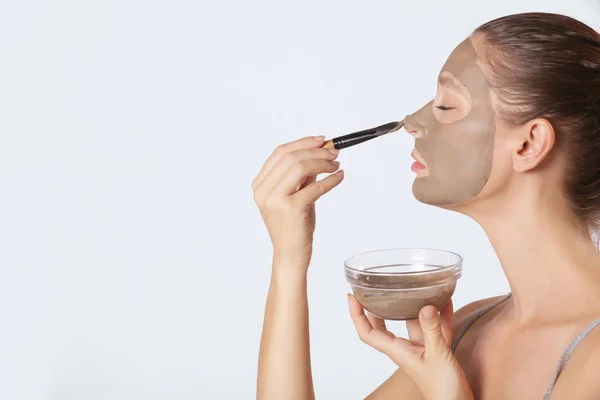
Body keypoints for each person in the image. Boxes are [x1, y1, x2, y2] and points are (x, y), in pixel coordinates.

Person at [252, 12, 600, 400]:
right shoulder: (470, 328)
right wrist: (288, 262)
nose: (414, 123)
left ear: (529, 144)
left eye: (447, 107)